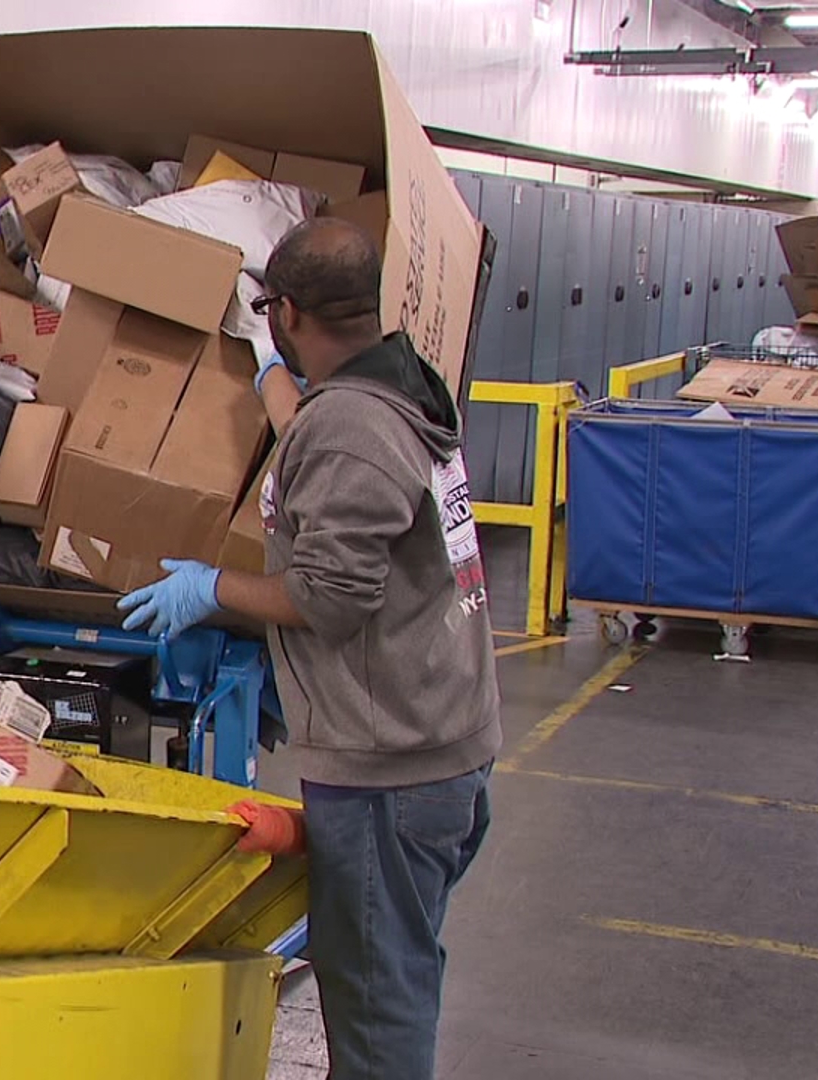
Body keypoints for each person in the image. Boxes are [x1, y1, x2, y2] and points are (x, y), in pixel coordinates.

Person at [117, 218, 500, 1079]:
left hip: (388, 771)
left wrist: (211, 588)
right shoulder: (401, 387)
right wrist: (268, 381)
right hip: (447, 745)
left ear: (287, 308)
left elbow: (330, 597)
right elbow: (328, 442)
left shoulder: (350, 428)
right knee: (398, 968)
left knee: (373, 1002)